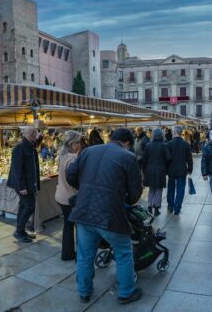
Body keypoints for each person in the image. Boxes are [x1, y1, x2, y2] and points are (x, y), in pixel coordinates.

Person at [66, 128, 143, 305]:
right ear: (127, 143)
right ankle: (126, 292)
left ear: (111, 138)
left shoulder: (88, 151)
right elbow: (135, 192)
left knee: (85, 255)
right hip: (110, 215)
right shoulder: (128, 156)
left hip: (84, 212)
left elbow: (70, 174)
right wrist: (125, 199)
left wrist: (85, 188)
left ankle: (84, 292)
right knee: (124, 252)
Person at [7, 126, 40, 243]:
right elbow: (17, 169)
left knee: (23, 206)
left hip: (30, 183)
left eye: (35, 133)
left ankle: (20, 231)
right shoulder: (20, 148)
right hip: (23, 185)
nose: (35, 135)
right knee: (29, 206)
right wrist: (22, 187)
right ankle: (18, 231)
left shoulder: (31, 146)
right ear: (27, 134)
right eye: (32, 133)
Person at [54, 130, 82, 261]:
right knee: (79, 227)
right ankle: (78, 255)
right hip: (70, 198)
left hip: (61, 196)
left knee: (68, 225)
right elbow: (73, 179)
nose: (80, 145)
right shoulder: (72, 158)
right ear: (71, 143)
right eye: (78, 142)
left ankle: (67, 254)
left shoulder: (63, 155)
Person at [141, 128, 171, 216]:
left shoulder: (148, 145)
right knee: (158, 189)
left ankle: (149, 207)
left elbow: (144, 159)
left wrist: (144, 170)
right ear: (162, 135)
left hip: (150, 170)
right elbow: (168, 158)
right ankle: (157, 208)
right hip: (160, 170)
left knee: (151, 189)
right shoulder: (164, 145)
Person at [166, 126, 193, 215]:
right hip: (182, 170)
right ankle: (177, 208)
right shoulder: (185, 144)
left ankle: (170, 206)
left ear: (174, 132)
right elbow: (189, 158)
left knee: (171, 188)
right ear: (180, 133)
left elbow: (166, 158)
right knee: (180, 189)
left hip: (171, 170)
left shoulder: (169, 143)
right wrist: (190, 169)